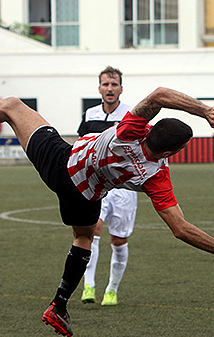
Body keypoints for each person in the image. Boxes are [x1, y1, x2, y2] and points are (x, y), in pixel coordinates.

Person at [0, 74, 214, 337]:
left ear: (150, 129)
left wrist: (203, 111)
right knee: (83, 239)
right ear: (171, 152)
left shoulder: (131, 129)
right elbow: (180, 228)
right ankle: (59, 305)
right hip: (84, 196)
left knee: (11, 106)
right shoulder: (156, 177)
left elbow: (160, 94)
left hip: (61, 162)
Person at [78, 66, 137, 307]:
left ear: (121, 88)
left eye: (114, 85)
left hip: (123, 187)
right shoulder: (90, 114)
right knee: (91, 232)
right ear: (99, 88)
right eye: (105, 84)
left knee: (118, 240)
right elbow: (81, 144)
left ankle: (112, 289)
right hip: (96, 184)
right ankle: (89, 285)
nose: (110, 89)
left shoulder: (130, 115)